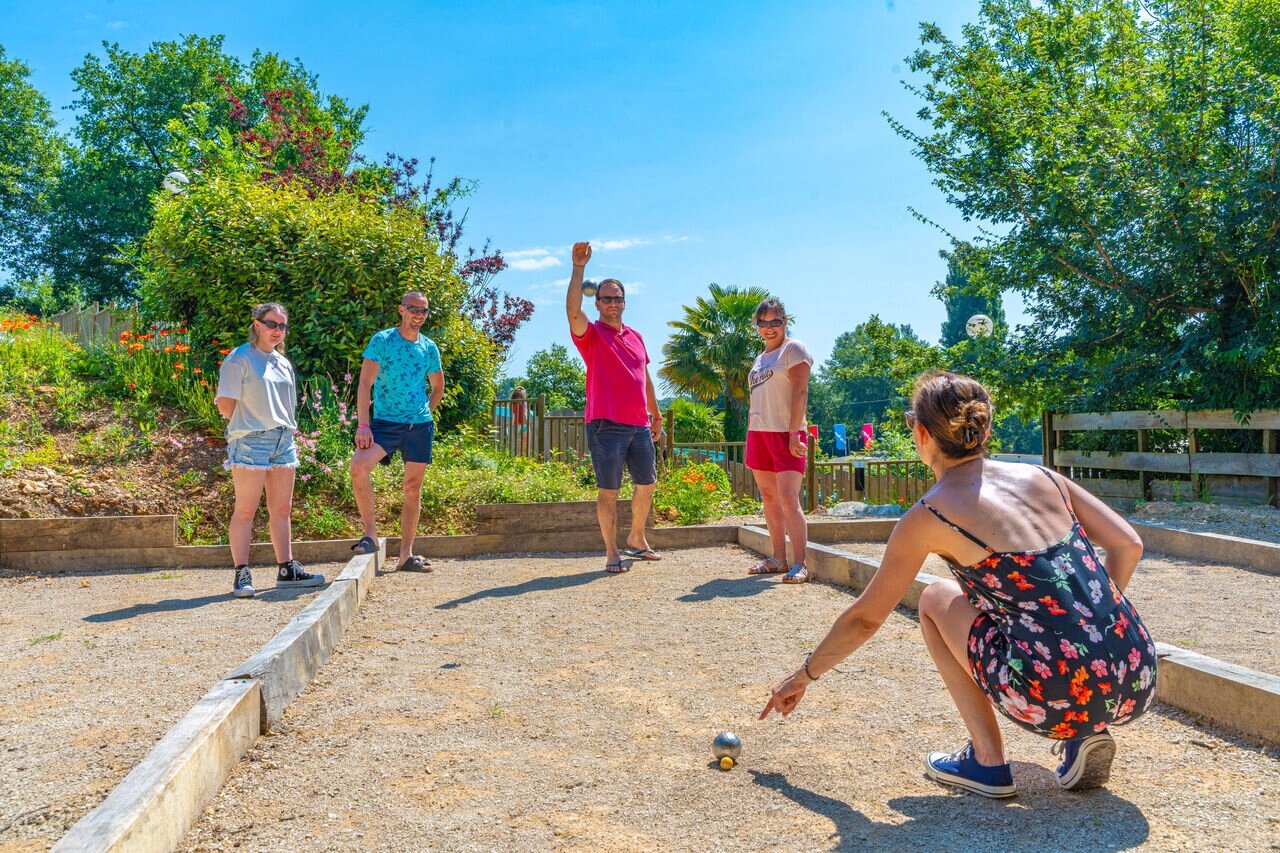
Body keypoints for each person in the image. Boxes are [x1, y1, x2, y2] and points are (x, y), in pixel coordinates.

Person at [760, 371, 1157, 798]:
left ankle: (987, 761)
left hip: (1049, 693)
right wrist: (1094, 633)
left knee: (934, 598)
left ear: (922, 432)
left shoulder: (932, 514)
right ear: (983, 427)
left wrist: (803, 675)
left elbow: (865, 619)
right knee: (1009, 609)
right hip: (1136, 671)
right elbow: (1128, 544)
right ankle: (1083, 731)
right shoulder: (1045, 477)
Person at [215, 302, 324, 598]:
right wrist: (250, 422)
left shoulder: (282, 362)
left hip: (282, 439)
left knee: (281, 509)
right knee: (246, 509)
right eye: (272, 324)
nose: (277, 331)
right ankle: (241, 573)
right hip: (251, 439)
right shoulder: (240, 358)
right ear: (257, 324)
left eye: (282, 326)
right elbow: (226, 405)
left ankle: (286, 569)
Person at [567, 241, 663, 574]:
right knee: (609, 491)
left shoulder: (636, 336)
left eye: (617, 298)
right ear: (598, 303)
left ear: (624, 302)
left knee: (647, 484)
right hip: (606, 424)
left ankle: (636, 537)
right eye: (605, 298)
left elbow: (644, 377)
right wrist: (578, 268)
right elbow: (571, 312)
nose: (611, 303)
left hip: (639, 424)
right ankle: (611, 552)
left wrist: (656, 412)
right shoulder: (591, 334)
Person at [349, 291, 445, 572]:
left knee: (412, 490)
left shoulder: (429, 347)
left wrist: (423, 410)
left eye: (424, 311)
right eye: (413, 309)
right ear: (401, 310)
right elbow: (365, 384)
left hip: (419, 426)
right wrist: (364, 425)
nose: (419, 315)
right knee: (358, 465)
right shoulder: (383, 341)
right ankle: (370, 534)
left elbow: (438, 387)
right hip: (385, 424)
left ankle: (406, 556)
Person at [743, 298, 814, 584]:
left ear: (785, 322)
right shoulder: (760, 359)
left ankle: (800, 563)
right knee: (770, 499)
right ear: (757, 326)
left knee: (788, 499)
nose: (769, 327)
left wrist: (795, 431)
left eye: (775, 321)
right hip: (759, 433)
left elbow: (800, 392)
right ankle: (777, 558)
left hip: (786, 432)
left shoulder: (793, 350)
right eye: (764, 322)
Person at [510, 385, 529, 456]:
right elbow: (525, 415)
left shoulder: (512, 403)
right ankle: (524, 459)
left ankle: (516, 459)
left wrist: (511, 426)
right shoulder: (524, 402)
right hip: (523, 425)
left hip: (515, 425)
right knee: (525, 445)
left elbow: (513, 417)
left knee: (517, 444)